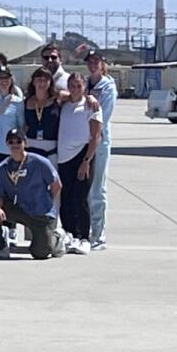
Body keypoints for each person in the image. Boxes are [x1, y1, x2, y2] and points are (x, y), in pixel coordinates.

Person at [0, 129, 65, 260]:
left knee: (40, 253)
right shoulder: (2, 168)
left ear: (25, 143)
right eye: (11, 141)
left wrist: (48, 205)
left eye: (18, 141)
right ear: (7, 144)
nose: (15, 145)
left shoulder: (39, 162)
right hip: (20, 209)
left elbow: (57, 185)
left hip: (40, 213)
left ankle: (56, 238)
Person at [57, 73, 102, 256]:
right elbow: (57, 93)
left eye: (78, 86)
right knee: (65, 198)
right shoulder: (65, 104)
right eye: (72, 86)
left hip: (82, 156)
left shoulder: (91, 107)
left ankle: (84, 237)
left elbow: (96, 136)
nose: (75, 89)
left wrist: (86, 161)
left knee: (80, 198)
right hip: (63, 158)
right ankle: (70, 233)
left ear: (84, 87)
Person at [84, 51, 116, 250]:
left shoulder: (108, 87)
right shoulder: (85, 84)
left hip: (99, 141)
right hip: (84, 142)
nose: (93, 65)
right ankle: (87, 231)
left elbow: (104, 115)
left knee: (97, 189)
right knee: (85, 190)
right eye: (90, 62)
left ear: (103, 64)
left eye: (96, 62)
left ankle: (98, 233)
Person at [24, 66, 61, 165]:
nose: (42, 83)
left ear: (50, 82)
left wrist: (90, 98)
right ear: (33, 82)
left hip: (51, 148)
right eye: (39, 80)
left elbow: (76, 96)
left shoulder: (58, 99)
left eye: (45, 80)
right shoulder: (26, 101)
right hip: (30, 147)